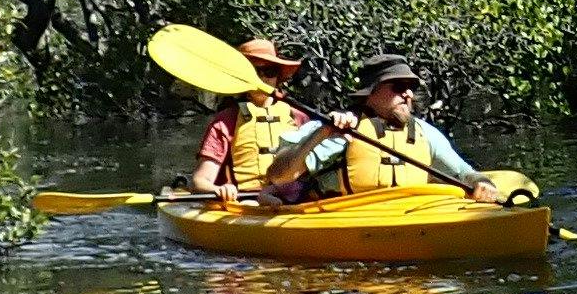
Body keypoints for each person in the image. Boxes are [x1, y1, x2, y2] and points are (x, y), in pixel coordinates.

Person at [264, 54, 511, 205]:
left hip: (408, 218)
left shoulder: (425, 134)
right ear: (371, 93)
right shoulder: (341, 130)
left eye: (411, 86)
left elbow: (463, 172)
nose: (408, 94)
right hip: (344, 220)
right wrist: (322, 135)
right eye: (398, 86)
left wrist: (481, 182)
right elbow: (278, 176)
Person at [185, 36, 313, 200]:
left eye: (269, 71)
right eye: (254, 72)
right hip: (246, 201)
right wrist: (218, 189)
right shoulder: (225, 122)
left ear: (277, 77)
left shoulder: (299, 117)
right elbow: (200, 180)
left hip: (294, 200)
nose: (262, 78)